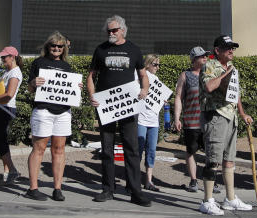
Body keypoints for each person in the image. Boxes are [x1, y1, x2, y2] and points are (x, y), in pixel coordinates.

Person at [86, 15, 151, 206]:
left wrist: (144, 89)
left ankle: (135, 191)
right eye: (108, 31)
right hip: (106, 106)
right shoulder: (101, 50)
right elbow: (91, 76)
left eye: (114, 30)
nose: (111, 33)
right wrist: (92, 95)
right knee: (107, 149)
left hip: (128, 106)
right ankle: (108, 189)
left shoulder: (134, 50)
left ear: (123, 30)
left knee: (132, 148)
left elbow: (142, 75)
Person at [198, 34, 254, 216]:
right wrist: (226, 74)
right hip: (215, 116)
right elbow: (209, 87)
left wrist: (242, 113)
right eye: (228, 47)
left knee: (229, 160)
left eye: (233, 48)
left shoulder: (232, 68)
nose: (232, 51)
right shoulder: (209, 65)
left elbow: (235, 93)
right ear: (217, 50)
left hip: (231, 117)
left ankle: (230, 199)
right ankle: (207, 201)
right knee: (213, 160)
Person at [25, 31, 76, 201]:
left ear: (64, 48)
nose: (56, 48)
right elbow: (30, 89)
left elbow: (69, 90)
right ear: (48, 46)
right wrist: (33, 83)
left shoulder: (67, 67)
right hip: (43, 111)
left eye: (60, 46)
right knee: (39, 148)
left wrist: (76, 87)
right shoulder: (38, 63)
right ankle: (33, 188)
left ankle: (57, 188)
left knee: (59, 150)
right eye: (53, 45)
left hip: (63, 112)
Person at [0, 44, 22, 185]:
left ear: (12, 57)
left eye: (4, 57)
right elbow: (3, 91)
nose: (2, 59)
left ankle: (12, 170)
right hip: (2, 108)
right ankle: (8, 171)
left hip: (6, 109)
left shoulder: (15, 73)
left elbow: (9, 95)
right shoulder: (8, 72)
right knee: (0, 140)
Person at [173, 46, 208, 192]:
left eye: (206, 56)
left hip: (209, 121)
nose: (205, 58)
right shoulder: (185, 75)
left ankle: (210, 180)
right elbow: (179, 97)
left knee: (211, 153)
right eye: (202, 56)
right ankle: (194, 180)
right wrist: (177, 118)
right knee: (191, 151)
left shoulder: (211, 74)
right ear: (194, 60)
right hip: (191, 121)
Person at [137, 53, 162, 192]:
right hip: (141, 118)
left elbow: (158, 96)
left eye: (158, 65)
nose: (157, 67)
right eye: (155, 64)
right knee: (139, 149)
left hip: (153, 120)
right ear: (147, 64)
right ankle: (134, 179)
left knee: (151, 151)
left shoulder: (156, 79)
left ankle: (148, 180)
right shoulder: (140, 76)